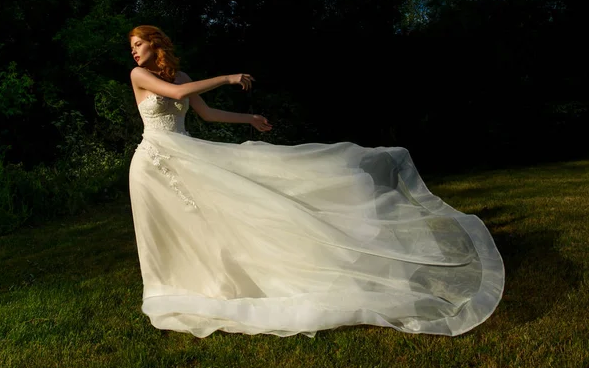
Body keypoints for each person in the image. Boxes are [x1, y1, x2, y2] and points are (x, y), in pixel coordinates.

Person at [127, 24, 505, 338]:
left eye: (139, 43)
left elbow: (206, 115)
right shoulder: (139, 76)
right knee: (173, 227)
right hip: (154, 162)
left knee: (210, 220)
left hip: (186, 154)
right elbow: (176, 95)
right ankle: (174, 287)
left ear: (156, 43)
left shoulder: (185, 76)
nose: (134, 51)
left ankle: (215, 282)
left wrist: (249, 120)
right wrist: (226, 77)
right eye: (132, 46)